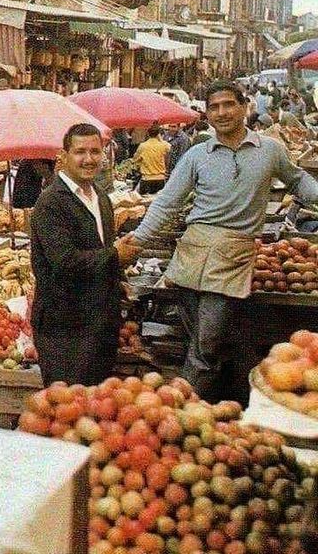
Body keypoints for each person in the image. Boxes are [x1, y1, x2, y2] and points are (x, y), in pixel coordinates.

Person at [125, 79, 318, 403]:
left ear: (245, 107)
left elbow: (298, 181)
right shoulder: (197, 154)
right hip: (191, 256)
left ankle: (178, 408)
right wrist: (139, 238)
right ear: (208, 114)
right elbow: (168, 201)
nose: (222, 112)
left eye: (229, 104)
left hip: (233, 256)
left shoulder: (270, 150)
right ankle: (204, 407)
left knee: (207, 343)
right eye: (214, 107)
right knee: (201, 342)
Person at [29, 124, 139, 386]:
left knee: (96, 407)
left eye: (95, 151)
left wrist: (118, 279)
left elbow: (100, 248)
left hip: (99, 323)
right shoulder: (51, 202)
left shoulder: (100, 197)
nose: (88, 159)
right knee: (67, 408)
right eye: (80, 152)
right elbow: (65, 262)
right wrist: (116, 257)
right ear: (64, 155)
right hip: (65, 328)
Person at [132, 124, 171, 194]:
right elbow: (169, 147)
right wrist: (160, 139)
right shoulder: (163, 145)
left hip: (146, 179)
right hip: (160, 178)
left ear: (148, 133)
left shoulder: (143, 146)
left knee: (144, 202)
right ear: (158, 134)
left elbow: (135, 159)